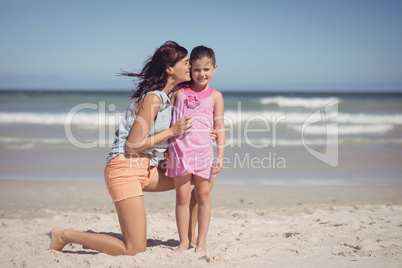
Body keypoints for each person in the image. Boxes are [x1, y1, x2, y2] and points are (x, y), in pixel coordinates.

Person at [49, 41, 215, 256]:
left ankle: (191, 239)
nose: (190, 67)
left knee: (202, 177)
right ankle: (64, 235)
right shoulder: (154, 99)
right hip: (124, 169)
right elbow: (134, 144)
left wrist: (205, 134)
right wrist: (172, 132)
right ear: (170, 69)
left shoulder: (167, 97)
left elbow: (185, 121)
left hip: (146, 169)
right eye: (186, 63)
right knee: (134, 249)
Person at [166, 45, 225, 252]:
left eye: (206, 69)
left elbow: (219, 127)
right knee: (182, 198)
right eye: (197, 69)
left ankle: (201, 242)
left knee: (203, 197)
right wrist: (164, 148)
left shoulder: (216, 96)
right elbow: (166, 122)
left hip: (203, 153)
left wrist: (220, 155)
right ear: (190, 69)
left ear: (215, 68)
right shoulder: (178, 91)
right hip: (179, 152)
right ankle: (183, 242)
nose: (202, 74)